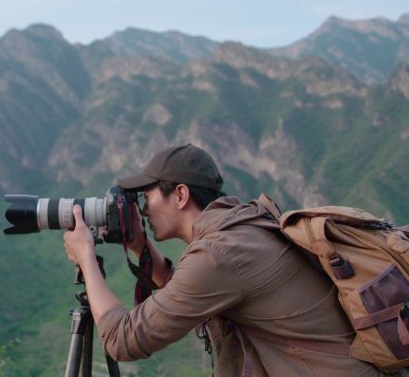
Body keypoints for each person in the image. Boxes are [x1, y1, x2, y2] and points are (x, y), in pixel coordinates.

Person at [63, 144, 381, 376]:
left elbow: (122, 340)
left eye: (148, 198)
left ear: (181, 195)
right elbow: (194, 293)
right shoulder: (243, 225)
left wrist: (86, 257)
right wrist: (139, 245)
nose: (144, 210)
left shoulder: (219, 254)